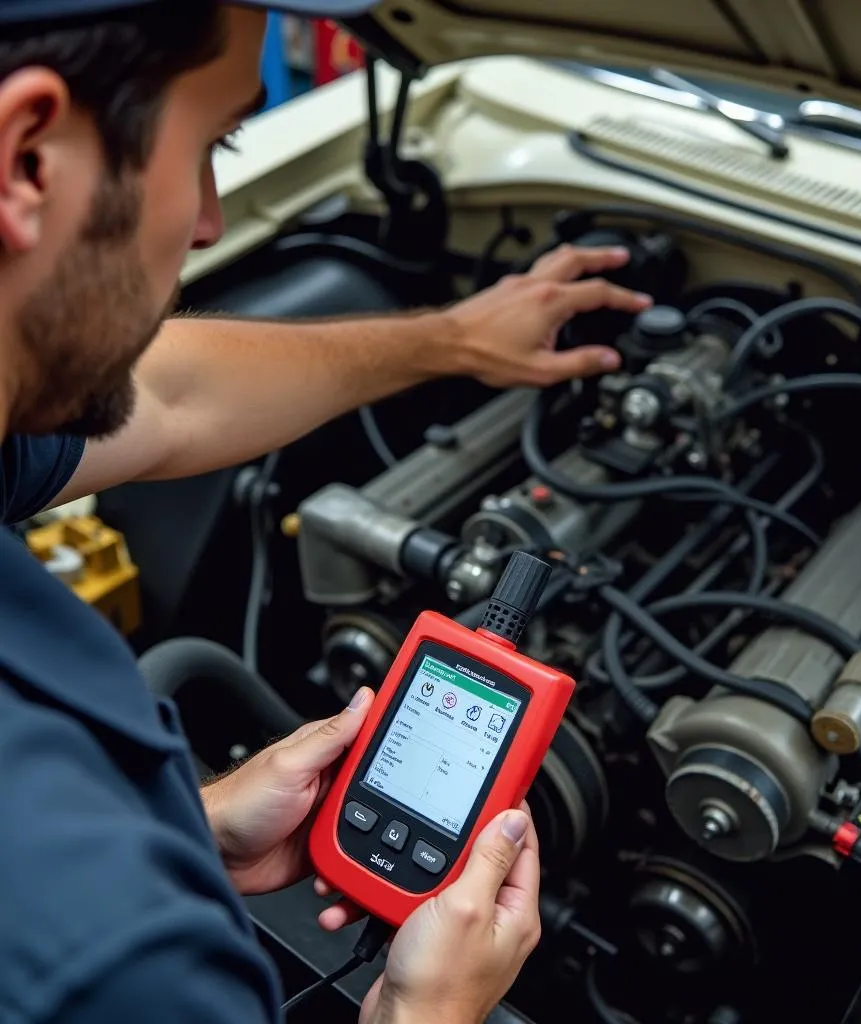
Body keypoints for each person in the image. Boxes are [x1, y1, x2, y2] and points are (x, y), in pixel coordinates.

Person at [0, 2, 653, 1022]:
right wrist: (420, 1011)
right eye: (214, 140)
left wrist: (454, 339)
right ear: (28, 157)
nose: (211, 218)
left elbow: (170, 394)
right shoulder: (123, 953)